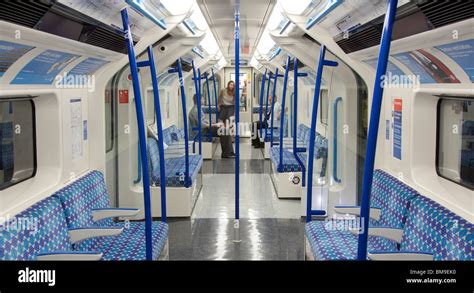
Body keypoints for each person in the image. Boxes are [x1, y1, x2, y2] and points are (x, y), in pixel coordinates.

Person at [217, 81, 236, 158]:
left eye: (232, 85)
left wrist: (234, 113)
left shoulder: (235, 93)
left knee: (228, 127)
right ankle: (228, 150)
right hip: (223, 107)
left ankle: (230, 145)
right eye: (230, 84)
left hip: (231, 108)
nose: (231, 86)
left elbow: (235, 103)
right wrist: (218, 105)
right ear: (228, 85)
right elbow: (220, 98)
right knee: (223, 127)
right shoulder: (223, 90)